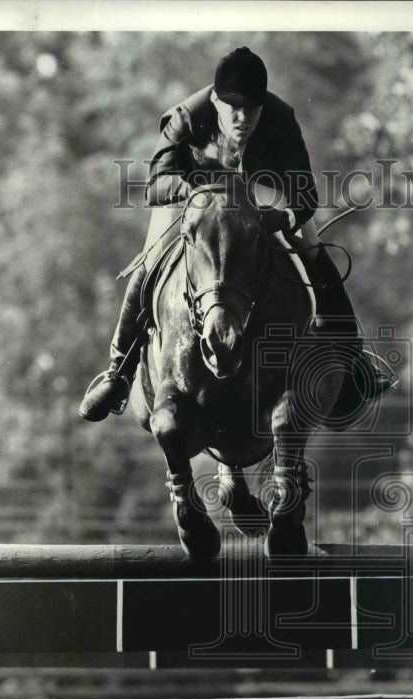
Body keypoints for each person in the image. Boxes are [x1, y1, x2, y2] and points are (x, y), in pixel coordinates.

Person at [79, 46, 395, 422]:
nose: (244, 119)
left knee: (312, 251)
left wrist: (279, 221)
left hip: (259, 191)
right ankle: (119, 372)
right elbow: (155, 186)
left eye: (252, 109)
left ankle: (353, 360)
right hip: (192, 197)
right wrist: (194, 191)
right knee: (151, 261)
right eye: (234, 110)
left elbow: (305, 195)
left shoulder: (280, 117)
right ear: (215, 100)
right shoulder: (185, 118)